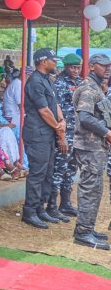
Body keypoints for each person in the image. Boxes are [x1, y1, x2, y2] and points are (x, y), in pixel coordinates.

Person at [21, 49, 67, 230]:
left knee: (48, 172)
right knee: (38, 173)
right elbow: (44, 110)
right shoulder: (35, 81)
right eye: (53, 60)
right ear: (43, 61)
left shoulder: (47, 79)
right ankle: (30, 211)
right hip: (37, 133)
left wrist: (61, 120)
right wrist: (58, 127)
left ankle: (40, 207)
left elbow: (54, 104)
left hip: (47, 133)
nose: (55, 63)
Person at [71, 53, 111, 249]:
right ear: (92, 66)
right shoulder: (88, 88)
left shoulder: (96, 86)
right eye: (103, 65)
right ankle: (83, 233)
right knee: (90, 189)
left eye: (108, 66)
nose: (107, 69)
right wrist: (107, 132)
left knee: (95, 188)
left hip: (95, 146)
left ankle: (87, 228)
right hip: (89, 146)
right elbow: (85, 117)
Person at [50, 53, 83, 219]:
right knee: (59, 169)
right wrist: (60, 136)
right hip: (65, 133)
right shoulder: (59, 83)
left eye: (78, 67)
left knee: (71, 169)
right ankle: (51, 206)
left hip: (78, 133)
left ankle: (65, 203)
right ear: (66, 67)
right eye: (72, 67)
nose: (75, 70)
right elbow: (56, 111)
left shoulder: (81, 82)